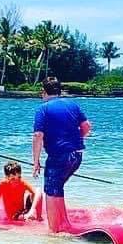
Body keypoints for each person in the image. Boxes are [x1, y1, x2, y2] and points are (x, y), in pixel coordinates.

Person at [31, 76, 92, 234]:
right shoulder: (73, 105)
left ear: (43, 92)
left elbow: (38, 135)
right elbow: (86, 127)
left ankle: (53, 231)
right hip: (77, 155)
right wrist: (76, 140)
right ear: (59, 90)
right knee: (58, 187)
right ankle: (64, 223)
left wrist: (36, 162)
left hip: (59, 156)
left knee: (51, 190)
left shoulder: (43, 109)